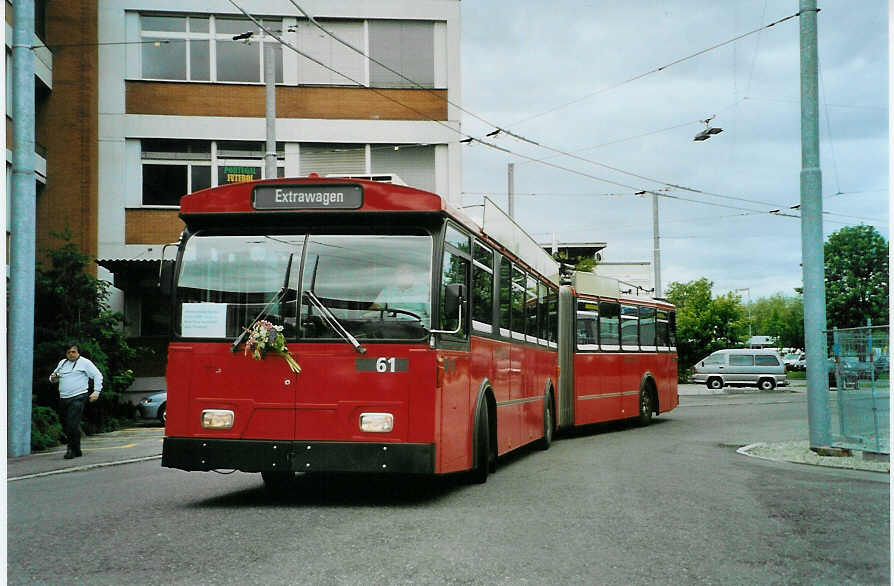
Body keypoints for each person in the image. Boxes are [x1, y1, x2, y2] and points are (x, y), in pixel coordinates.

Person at [49, 344, 103, 459]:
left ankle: (71, 450)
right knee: (68, 425)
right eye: (69, 352)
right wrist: (53, 378)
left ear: (78, 352)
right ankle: (77, 449)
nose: (71, 354)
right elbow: (53, 377)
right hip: (64, 397)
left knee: (71, 424)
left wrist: (96, 391)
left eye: (73, 352)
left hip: (78, 396)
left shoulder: (85, 363)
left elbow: (98, 375)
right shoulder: (62, 363)